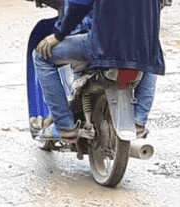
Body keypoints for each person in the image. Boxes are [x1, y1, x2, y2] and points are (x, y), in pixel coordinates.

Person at [32, 0, 165, 143]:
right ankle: (139, 120)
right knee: (152, 54)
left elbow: (79, 5)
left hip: (104, 47)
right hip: (142, 46)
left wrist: (58, 34)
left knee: (41, 57)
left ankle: (64, 126)